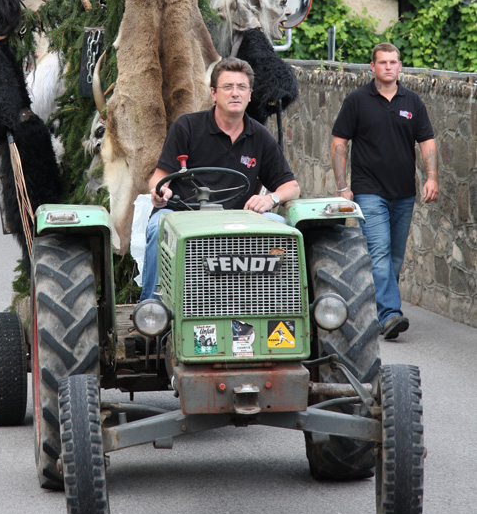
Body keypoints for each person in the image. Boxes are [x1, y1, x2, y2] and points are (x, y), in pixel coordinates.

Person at [140, 57, 300, 301]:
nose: (235, 93)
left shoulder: (260, 136)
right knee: (158, 226)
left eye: (241, 87)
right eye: (228, 87)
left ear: (249, 95)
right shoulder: (187, 127)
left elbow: (292, 187)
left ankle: (274, 302)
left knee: (278, 224)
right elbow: (159, 179)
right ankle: (151, 310)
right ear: (213, 93)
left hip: (237, 219)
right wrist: (161, 194)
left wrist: (271, 199)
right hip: (184, 214)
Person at [331, 42, 438, 340]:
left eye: (393, 62)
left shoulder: (413, 102)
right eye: (382, 62)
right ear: (372, 67)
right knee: (378, 252)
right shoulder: (357, 101)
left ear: (400, 66)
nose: (388, 67)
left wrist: (432, 177)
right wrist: (343, 186)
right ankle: (391, 313)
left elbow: (426, 141)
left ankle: (375, 307)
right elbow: (339, 142)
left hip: (404, 191)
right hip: (369, 190)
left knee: (394, 258)